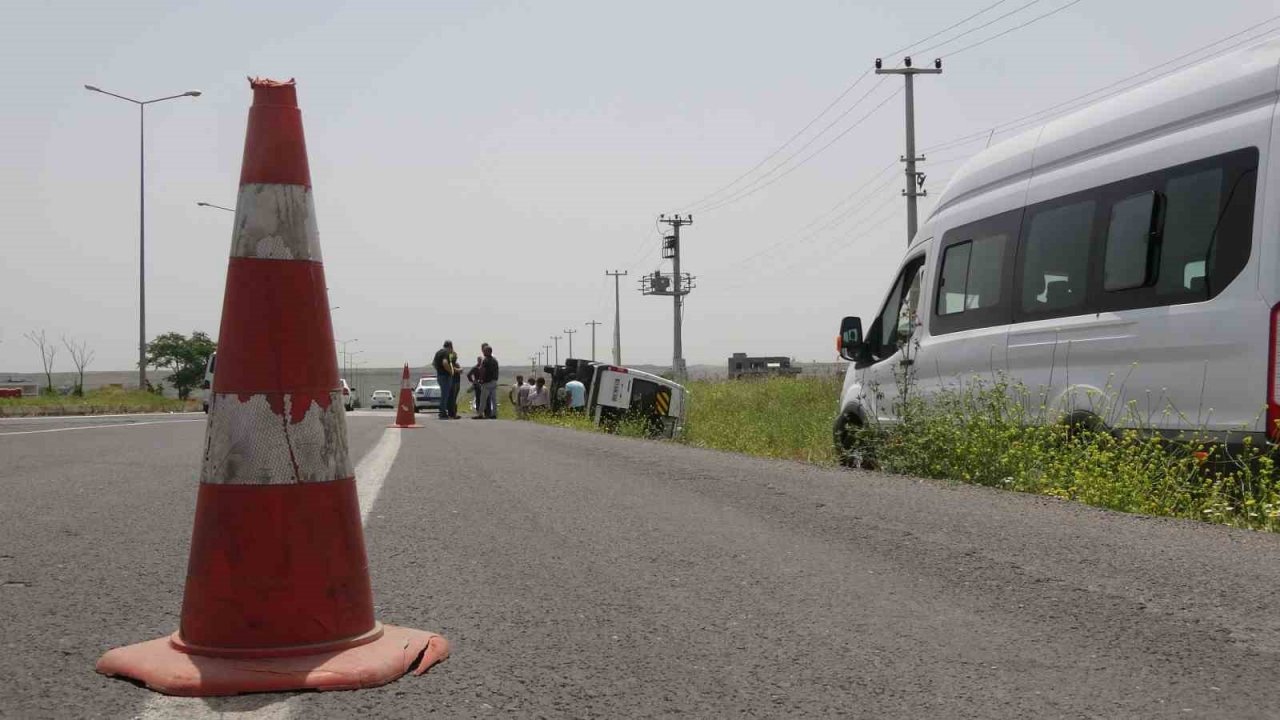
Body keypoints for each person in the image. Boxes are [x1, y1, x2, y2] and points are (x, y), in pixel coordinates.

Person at [431, 340, 454, 420]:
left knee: (443, 394)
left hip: (440, 375)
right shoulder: (446, 353)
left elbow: (433, 364)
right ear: (450, 346)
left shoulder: (438, 353)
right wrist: (450, 371)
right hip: (445, 376)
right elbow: (445, 363)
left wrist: (439, 369)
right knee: (445, 395)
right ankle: (442, 412)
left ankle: (442, 411)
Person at [476, 344, 500, 419]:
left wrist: (480, 379)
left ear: (488, 352)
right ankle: (494, 414)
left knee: (483, 399)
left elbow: (482, 370)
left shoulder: (485, 360)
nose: (483, 352)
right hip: (494, 381)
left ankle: (480, 414)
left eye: (484, 351)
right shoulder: (495, 360)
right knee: (494, 399)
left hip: (486, 382)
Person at [447, 345, 462, 419]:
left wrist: (459, 370)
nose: (455, 357)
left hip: (457, 382)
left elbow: (460, 370)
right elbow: (456, 370)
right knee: (452, 399)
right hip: (452, 382)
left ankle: (453, 413)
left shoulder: (456, 364)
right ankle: (452, 413)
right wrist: (458, 370)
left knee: (454, 399)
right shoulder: (450, 364)